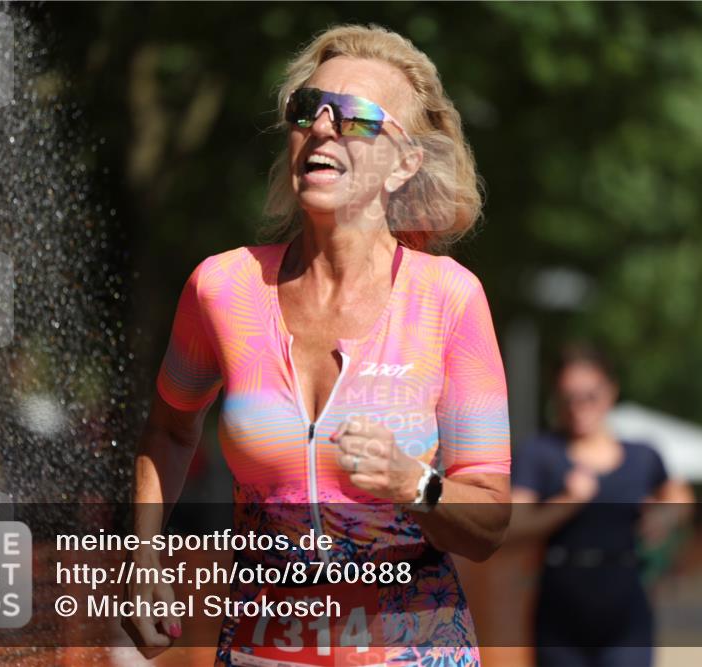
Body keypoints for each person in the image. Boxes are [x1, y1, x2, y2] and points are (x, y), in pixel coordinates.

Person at [129, 23, 511, 667]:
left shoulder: (450, 299)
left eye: (358, 118)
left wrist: (413, 483)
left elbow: (491, 519)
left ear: (406, 163)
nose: (325, 128)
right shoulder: (221, 288)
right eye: (310, 108)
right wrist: (142, 559)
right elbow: (169, 430)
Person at [508, 343, 693, 667]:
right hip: (560, 615)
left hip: (626, 613)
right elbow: (511, 528)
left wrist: (664, 516)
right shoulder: (539, 454)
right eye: (568, 397)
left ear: (610, 392)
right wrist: (566, 504)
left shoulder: (642, 455)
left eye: (589, 396)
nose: (579, 406)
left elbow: (681, 498)